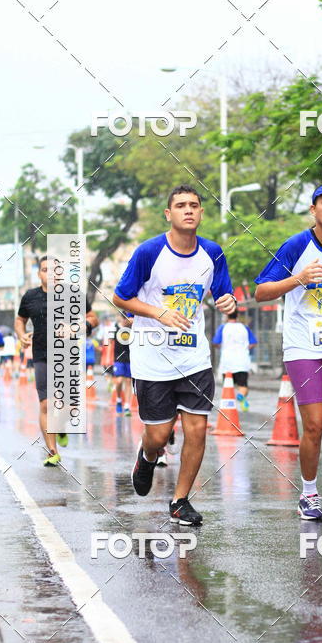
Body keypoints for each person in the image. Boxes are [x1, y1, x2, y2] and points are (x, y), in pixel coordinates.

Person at [113, 184, 236, 526]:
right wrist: (158, 313)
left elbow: (223, 295)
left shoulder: (212, 252)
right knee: (158, 434)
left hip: (194, 357)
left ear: (200, 212)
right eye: (180, 205)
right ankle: (147, 457)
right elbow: (121, 298)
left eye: (194, 205)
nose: (188, 210)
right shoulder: (149, 251)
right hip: (152, 357)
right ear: (169, 214)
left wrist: (228, 302)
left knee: (196, 430)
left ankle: (180, 500)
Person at [254, 182, 322, 521]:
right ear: (313, 210)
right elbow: (262, 292)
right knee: (314, 425)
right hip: (302, 344)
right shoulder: (295, 246)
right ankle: (308, 493)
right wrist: (298, 279)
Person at [15, 255, 98, 467]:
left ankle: (60, 426)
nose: (50, 274)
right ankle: (52, 451)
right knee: (46, 404)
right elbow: (20, 320)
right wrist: (21, 334)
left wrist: (79, 327)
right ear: (39, 273)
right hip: (42, 354)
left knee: (69, 406)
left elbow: (93, 318)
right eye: (45, 270)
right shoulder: (30, 297)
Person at [212, 310, 258, 410]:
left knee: (228, 386)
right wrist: (245, 348)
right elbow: (253, 342)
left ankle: (229, 407)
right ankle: (241, 396)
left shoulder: (223, 327)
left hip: (227, 362)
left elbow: (215, 342)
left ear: (226, 316)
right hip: (242, 361)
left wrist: (222, 347)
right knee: (243, 385)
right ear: (237, 315)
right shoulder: (244, 328)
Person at [112, 315, 133, 416]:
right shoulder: (115, 327)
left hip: (130, 358)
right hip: (118, 358)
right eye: (124, 318)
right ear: (121, 318)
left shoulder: (132, 328)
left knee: (129, 381)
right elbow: (109, 343)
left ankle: (127, 406)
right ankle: (119, 399)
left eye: (127, 318)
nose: (126, 320)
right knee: (119, 380)